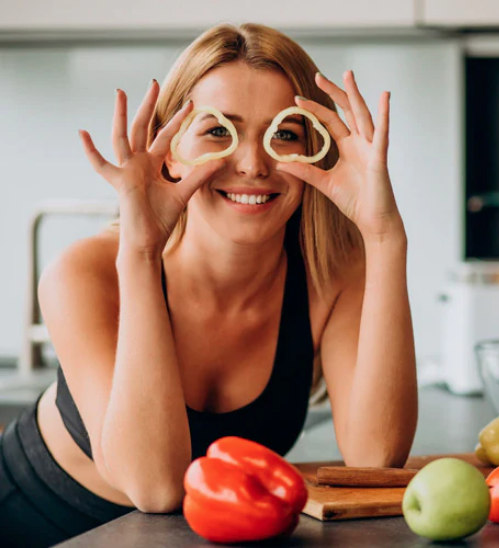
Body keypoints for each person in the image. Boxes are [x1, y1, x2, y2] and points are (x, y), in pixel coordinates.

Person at [0, 22, 417, 547]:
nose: (252, 163)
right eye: (219, 130)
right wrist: (141, 250)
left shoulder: (333, 271)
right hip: (33, 523)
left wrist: (384, 237)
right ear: (170, 150)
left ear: (314, 152)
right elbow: (153, 487)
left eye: (283, 134)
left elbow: (376, 458)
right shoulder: (83, 273)